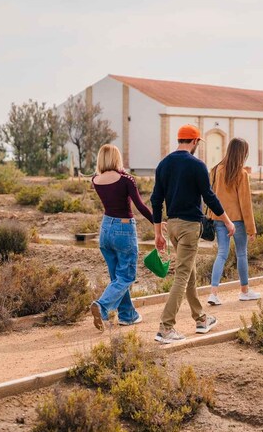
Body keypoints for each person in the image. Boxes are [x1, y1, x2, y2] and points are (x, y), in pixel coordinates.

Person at [150, 124, 236, 344]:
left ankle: (201, 319)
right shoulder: (197, 165)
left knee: (189, 273)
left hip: (173, 227)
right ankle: (166, 328)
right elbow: (209, 196)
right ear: (195, 141)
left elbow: (156, 200)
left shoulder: (163, 164)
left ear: (180, 140)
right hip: (189, 227)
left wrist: (157, 232)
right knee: (182, 276)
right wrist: (227, 221)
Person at [89, 144, 154, 330]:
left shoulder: (96, 179)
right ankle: (101, 306)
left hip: (105, 230)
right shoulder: (126, 180)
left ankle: (127, 315)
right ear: (117, 158)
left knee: (117, 277)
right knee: (126, 276)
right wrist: (156, 222)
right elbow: (140, 206)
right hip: (123, 229)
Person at [206, 138, 260, 305]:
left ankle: (213, 293)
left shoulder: (215, 170)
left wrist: (209, 216)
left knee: (221, 254)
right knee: (241, 254)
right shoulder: (241, 174)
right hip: (237, 221)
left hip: (219, 218)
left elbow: (209, 196)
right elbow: (245, 203)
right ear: (242, 153)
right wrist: (251, 229)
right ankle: (244, 291)